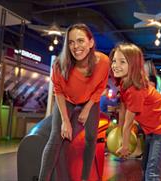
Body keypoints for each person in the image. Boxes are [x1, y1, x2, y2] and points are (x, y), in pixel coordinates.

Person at [38, 23, 110, 181]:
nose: (76, 46)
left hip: (90, 99)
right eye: (71, 42)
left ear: (90, 43)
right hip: (67, 99)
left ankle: (84, 178)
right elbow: (58, 91)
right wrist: (65, 120)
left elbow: (101, 86)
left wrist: (87, 108)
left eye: (80, 41)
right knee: (56, 136)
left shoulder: (103, 62)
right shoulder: (59, 64)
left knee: (91, 137)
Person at [109, 42, 161, 180]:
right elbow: (123, 108)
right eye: (114, 61)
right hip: (151, 128)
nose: (115, 65)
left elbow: (129, 122)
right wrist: (120, 132)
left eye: (122, 62)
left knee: (152, 172)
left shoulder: (135, 89)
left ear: (133, 65)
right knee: (145, 167)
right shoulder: (123, 83)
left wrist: (125, 145)